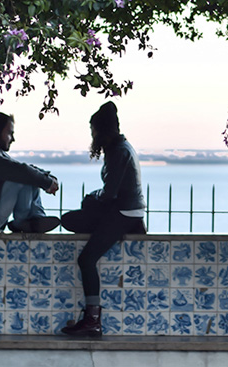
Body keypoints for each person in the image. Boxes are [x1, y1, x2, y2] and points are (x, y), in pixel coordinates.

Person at [60, 101, 147, 338]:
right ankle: (91, 318)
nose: (92, 137)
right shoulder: (122, 147)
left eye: (93, 132)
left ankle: (92, 319)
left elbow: (109, 195)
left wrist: (91, 198)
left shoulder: (117, 151)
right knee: (73, 219)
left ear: (101, 131)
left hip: (123, 213)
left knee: (86, 259)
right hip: (129, 212)